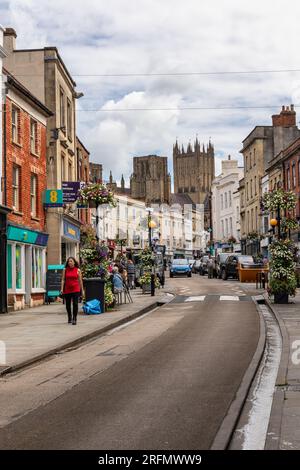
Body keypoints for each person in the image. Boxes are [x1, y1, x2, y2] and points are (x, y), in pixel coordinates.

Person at [61, 257, 84, 325]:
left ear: (74, 262)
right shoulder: (65, 270)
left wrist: (82, 290)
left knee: (75, 304)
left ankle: (74, 318)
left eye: (71, 261)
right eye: (68, 261)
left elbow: (80, 281)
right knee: (68, 304)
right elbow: (63, 280)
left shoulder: (78, 270)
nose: (69, 262)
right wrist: (62, 289)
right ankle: (69, 317)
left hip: (76, 289)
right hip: (67, 289)